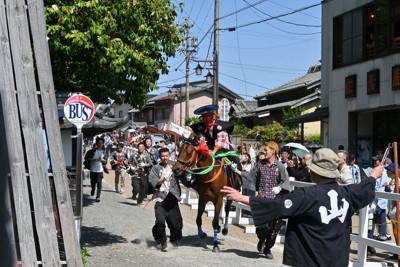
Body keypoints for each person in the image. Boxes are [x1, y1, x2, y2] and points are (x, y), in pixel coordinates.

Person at [221, 148, 384, 267]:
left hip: (311, 259)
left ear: (315, 170)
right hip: (337, 259)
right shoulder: (348, 193)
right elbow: (365, 188)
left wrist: (241, 197)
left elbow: (277, 205)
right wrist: (374, 175)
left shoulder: (307, 195)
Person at [233, 141, 288, 259]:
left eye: (266, 150)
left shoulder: (280, 166)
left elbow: (285, 181)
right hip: (262, 200)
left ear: (273, 151)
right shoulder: (260, 165)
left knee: (274, 229)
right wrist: (237, 171)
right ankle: (262, 239)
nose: (264, 152)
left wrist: (280, 187)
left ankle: (268, 249)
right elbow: (250, 177)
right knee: (263, 227)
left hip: (275, 201)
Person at [148, 147, 183, 252]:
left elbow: (184, 175)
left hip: (172, 197)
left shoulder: (174, 166)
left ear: (169, 156)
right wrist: (161, 180)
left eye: (166, 155)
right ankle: (162, 242)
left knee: (176, 224)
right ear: (160, 157)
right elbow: (152, 181)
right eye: (163, 156)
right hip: (160, 198)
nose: (165, 158)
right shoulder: (155, 168)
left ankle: (174, 239)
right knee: (160, 222)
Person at [190, 104, 241, 170]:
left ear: (212, 115)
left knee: (236, 162)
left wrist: (213, 152)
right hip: (208, 150)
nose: (207, 118)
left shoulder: (220, 126)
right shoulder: (201, 127)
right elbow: (201, 139)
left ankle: (241, 176)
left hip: (224, 150)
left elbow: (221, 140)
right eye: (204, 117)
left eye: (208, 116)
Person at [84, 137, 107, 202]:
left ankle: (98, 196)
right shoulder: (91, 151)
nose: (100, 144)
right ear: (96, 143)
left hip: (100, 169)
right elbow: (87, 159)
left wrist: (103, 160)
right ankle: (93, 189)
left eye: (101, 143)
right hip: (93, 169)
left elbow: (106, 161)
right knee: (93, 182)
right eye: (99, 143)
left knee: (99, 182)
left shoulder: (104, 152)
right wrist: (94, 160)